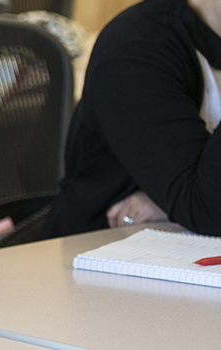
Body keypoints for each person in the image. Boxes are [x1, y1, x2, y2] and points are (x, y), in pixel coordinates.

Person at [42, 0, 221, 238]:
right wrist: (185, 202)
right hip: (103, 253)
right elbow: (209, 209)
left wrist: (172, 205)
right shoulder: (137, 45)